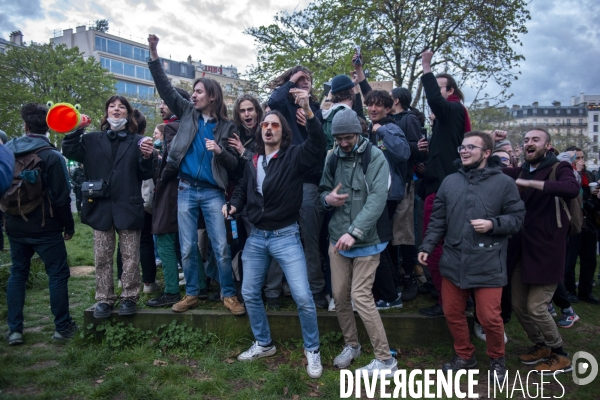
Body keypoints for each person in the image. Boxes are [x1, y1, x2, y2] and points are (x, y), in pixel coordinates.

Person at [229, 93, 325, 379]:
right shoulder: (253, 160)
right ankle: (264, 343)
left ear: (284, 133)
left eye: (275, 125)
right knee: (249, 292)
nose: (268, 128)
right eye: (265, 125)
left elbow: (318, 145)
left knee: (303, 297)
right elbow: (242, 190)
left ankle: (313, 349)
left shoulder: (294, 155)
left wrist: (308, 112)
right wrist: (234, 205)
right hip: (257, 237)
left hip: (285, 236)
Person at [147, 34, 245, 315]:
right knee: (188, 246)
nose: (194, 94)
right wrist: (154, 54)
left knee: (221, 246)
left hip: (213, 192)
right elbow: (164, 87)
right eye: (193, 91)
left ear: (212, 95)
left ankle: (228, 295)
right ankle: (191, 294)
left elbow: (235, 166)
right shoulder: (187, 113)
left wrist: (220, 152)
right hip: (186, 189)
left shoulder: (227, 127)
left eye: (199, 91)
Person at [418, 131, 525, 380]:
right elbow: (438, 220)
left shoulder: (504, 183)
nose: (464, 151)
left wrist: (493, 224)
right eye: (462, 147)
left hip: (488, 262)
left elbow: (518, 218)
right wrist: (427, 246)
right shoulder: (450, 182)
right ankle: (465, 356)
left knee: (489, 317)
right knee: (452, 313)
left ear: (487, 153)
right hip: (453, 261)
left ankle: (497, 359)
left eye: (471, 147)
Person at [320, 107, 398, 377]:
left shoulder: (375, 157)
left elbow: (377, 199)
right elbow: (322, 190)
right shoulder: (332, 157)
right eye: (338, 138)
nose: (343, 143)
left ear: (359, 132)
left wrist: (354, 232)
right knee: (340, 297)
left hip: (366, 241)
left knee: (361, 297)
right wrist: (327, 199)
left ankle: (385, 360)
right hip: (336, 240)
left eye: (348, 137)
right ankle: (351, 345)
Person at [62, 95, 155, 318]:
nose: (116, 110)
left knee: (131, 255)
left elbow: (146, 173)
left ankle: (130, 296)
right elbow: (69, 150)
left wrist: (147, 158)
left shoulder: (138, 141)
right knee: (102, 256)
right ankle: (104, 298)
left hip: (128, 206)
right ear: (106, 113)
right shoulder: (92, 139)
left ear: (128, 113)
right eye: (112, 107)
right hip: (100, 207)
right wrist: (77, 129)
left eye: (121, 107)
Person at [503, 128, 579, 374]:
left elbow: (571, 189)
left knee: (537, 306)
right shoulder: (523, 168)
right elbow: (499, 173)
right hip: (522, 249)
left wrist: (530, 183)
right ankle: (542, 345)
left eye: (535, 139)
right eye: (525, 140)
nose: (529, 143)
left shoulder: (559, 167)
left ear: (547, 145)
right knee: (519, 305)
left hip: (548, 250)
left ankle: (560, 354)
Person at [5, 103, 76, 345]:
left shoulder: (7, 151)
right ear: (49, 125)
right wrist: (69, 226)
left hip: (14, 224)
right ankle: (62, 327)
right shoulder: (52, 156)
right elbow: (61, 196)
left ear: (25, 125)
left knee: (17, 274)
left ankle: (15, 330)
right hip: (45, 226)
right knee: (57, 275)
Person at [267, 66, 328, 309]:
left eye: (308, 78)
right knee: (277, 236)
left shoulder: (316, 111)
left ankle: (316, 291)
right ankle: (273, 291)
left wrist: (310, 121)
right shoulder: (282, 106)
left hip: (308, 183)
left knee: (310, 239)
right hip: (283, 181)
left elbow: (320, 145)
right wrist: (293, 79)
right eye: (300, 78)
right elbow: (273, 100)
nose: (305, 82)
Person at [418, 50, 471, 317]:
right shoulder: (446, 117)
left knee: (435, 245)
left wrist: (426, 66)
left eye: (439, 90)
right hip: (440, 186)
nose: (433, 97)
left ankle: (447, 302)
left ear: (451, 92)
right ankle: (451, 298)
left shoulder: (453, 108)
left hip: (441, 191)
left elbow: (436, 102)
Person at [147, 89, 192, 308]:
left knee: (165, 239)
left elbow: (170, 162)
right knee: (187, 242)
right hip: (185, 190)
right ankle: (198, 286)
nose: (161, 106)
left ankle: (172, 290)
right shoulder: (189, 126)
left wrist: (161, 174)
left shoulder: (172, 129)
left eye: (165, 102)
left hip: (170, 192)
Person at [389, 87, 428, 301]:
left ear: (395, 100)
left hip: (404, 182)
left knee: (403, 232)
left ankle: (410, 276)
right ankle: (396, 275)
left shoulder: (409, 119)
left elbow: (418, 148)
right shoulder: (388, 119)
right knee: (392, 232)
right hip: (387, 183)